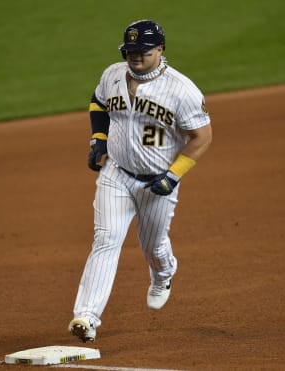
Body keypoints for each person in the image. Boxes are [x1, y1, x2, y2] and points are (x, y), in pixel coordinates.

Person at [68, 19, 212, 342]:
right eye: (130, 50)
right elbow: (98, 101)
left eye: (142, 51)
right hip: (116, 176)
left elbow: (202, 136)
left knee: (153, 246)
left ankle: (164, 274)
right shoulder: (113, 75)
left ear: (160, 49)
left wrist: (173, 176)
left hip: (157, 183)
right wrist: (99, 140)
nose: (135, 57)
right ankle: (86, 317)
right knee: (105, 240)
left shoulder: (182, 90)